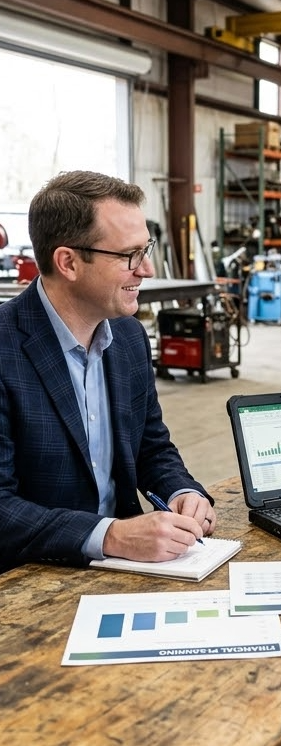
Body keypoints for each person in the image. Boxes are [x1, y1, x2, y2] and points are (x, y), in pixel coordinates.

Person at [0, 170, 216, 574]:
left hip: (128, 566)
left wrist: (181, 490)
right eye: (129, 255)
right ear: (68, 262)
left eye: (146, 249)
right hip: (33, 575)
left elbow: (151, 447)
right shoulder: (5, 347)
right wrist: (111, 535)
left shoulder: (129, 337)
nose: (147, 269)